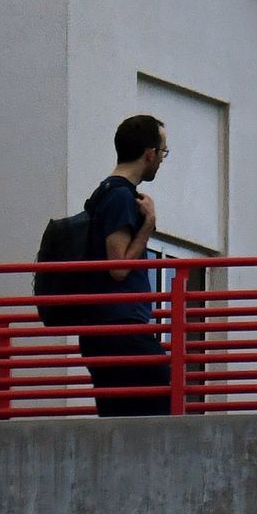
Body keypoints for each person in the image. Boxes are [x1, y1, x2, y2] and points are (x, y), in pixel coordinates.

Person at [77, 113, 172, 416]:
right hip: (120, 329)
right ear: (149, 154)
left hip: (105, 330)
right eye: (163, 152)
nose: (162, 160)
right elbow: (118, 267)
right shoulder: (119, 196)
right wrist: (148, 225)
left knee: (121, 417)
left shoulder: (105, 193)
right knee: (166, 394)